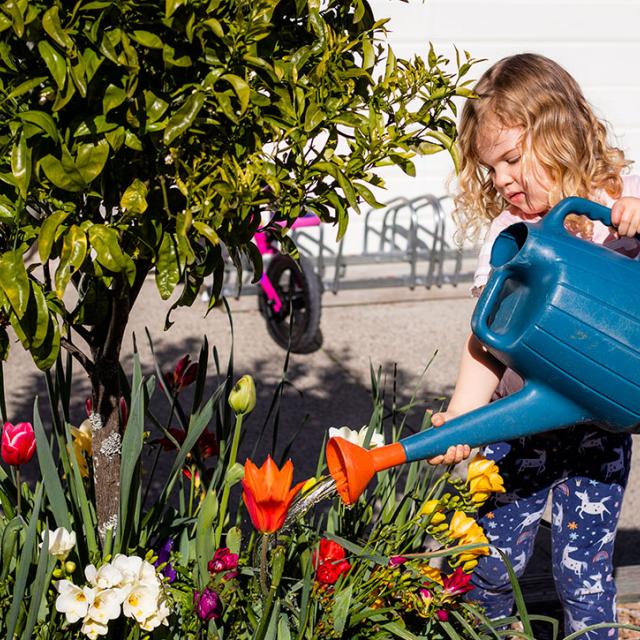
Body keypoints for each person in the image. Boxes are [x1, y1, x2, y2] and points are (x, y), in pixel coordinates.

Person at [429, 53, 640, 638]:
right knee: (490, 564)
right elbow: (486, 339)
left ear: (561, 132)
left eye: (513, 159)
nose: (502, 180)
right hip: (517, 425)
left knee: (585, 582)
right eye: (491, 168)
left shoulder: (621, 207)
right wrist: (464, 419)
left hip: (599, 433)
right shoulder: (510, 235)